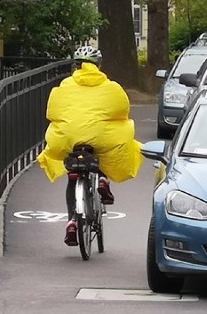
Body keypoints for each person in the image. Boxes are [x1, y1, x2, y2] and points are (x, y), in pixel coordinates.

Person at [36, 45, 143, 246]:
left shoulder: (64, 86)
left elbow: (52, 112)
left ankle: (71, 221)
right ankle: (103, 180)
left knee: (72, 175)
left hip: (70, 138)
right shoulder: (111, 87)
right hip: (100, 136)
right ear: (99, 66)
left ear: (76, 67)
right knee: (107, 148)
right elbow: (123, 110)